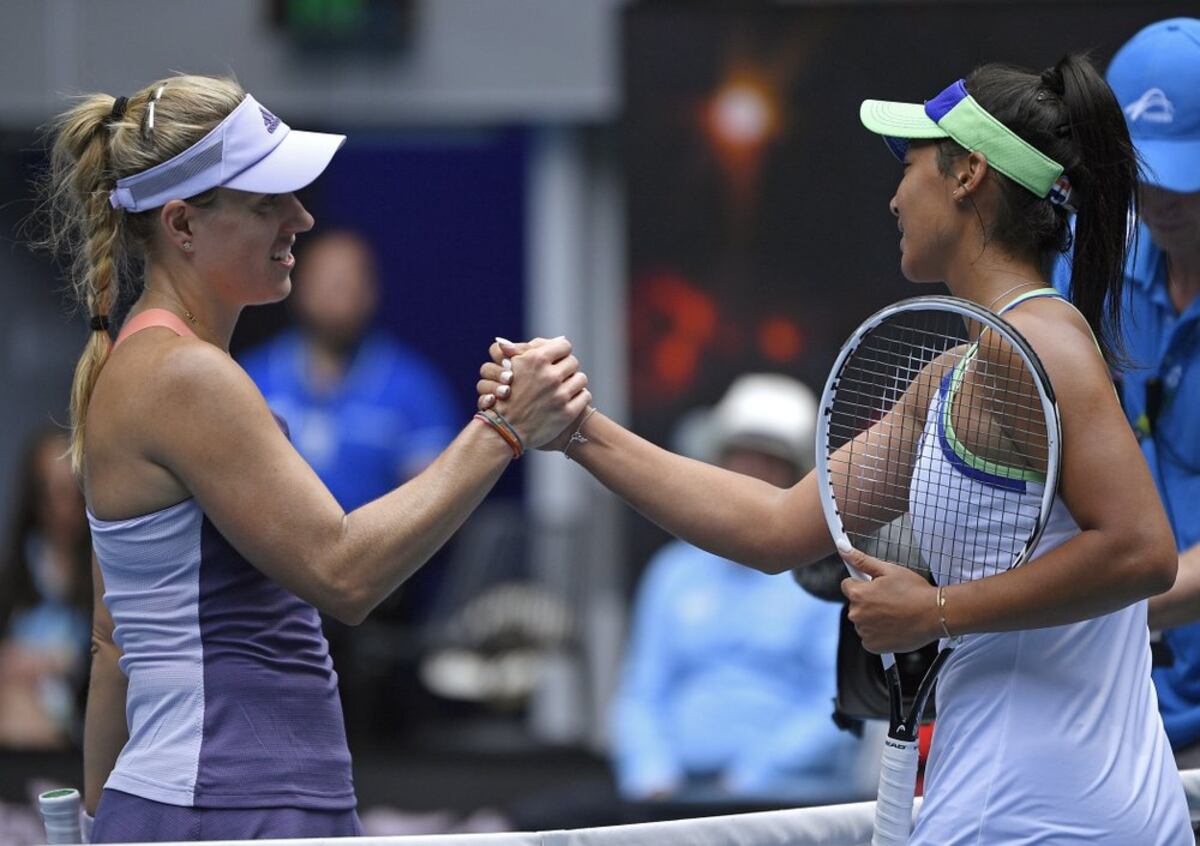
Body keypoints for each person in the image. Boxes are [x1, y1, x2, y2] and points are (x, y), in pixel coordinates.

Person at [481, 54, 1190, 843]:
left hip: (1043, 818)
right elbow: (777, 527)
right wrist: (577, 430)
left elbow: (1141, 552)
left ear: (968, 176)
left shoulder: (1037, 345)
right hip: (1024, 806)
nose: (893, 194)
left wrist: (938, 609)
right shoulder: (962, 371)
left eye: (910, 162)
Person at [36, 74, 589, 842]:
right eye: (267, 203)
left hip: (209, 805)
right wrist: (502, 430)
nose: (301, 216)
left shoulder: (140, 367)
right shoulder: (187, 376)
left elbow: (110, 643)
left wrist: (104, 823)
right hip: (230, 805)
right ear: (182, 224)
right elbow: (343, 574)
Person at [1052, 17, 1200, 770]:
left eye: (1188, 168)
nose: (1163, 192)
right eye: (1143, 167)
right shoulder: (1084, 267)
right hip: (1120, 718)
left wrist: (1065, 617)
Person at [610, 374, 868, 804]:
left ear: (796, 476)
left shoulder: (831, 576)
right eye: (740, 458)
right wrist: (649, 773)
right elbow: (641, 692)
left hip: (791, 804)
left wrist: (751, 778)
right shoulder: (673, 571)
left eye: (768, 460)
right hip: (672, 800)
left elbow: (839, 706)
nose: (750, 473)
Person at [239, 229, 457, 511]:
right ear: (297, 285)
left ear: (372, 291)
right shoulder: (250, 376)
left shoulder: (415, 386)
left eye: (352, 280)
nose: (341, 291)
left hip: (378, 547)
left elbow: (438, 506)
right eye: (328, 280)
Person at [0, 428, 92, 749]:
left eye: (72, 493)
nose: (63, 508)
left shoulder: (105, 576)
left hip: (78, 739)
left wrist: (65, 661)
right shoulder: (11, 577)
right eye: (50, 493)